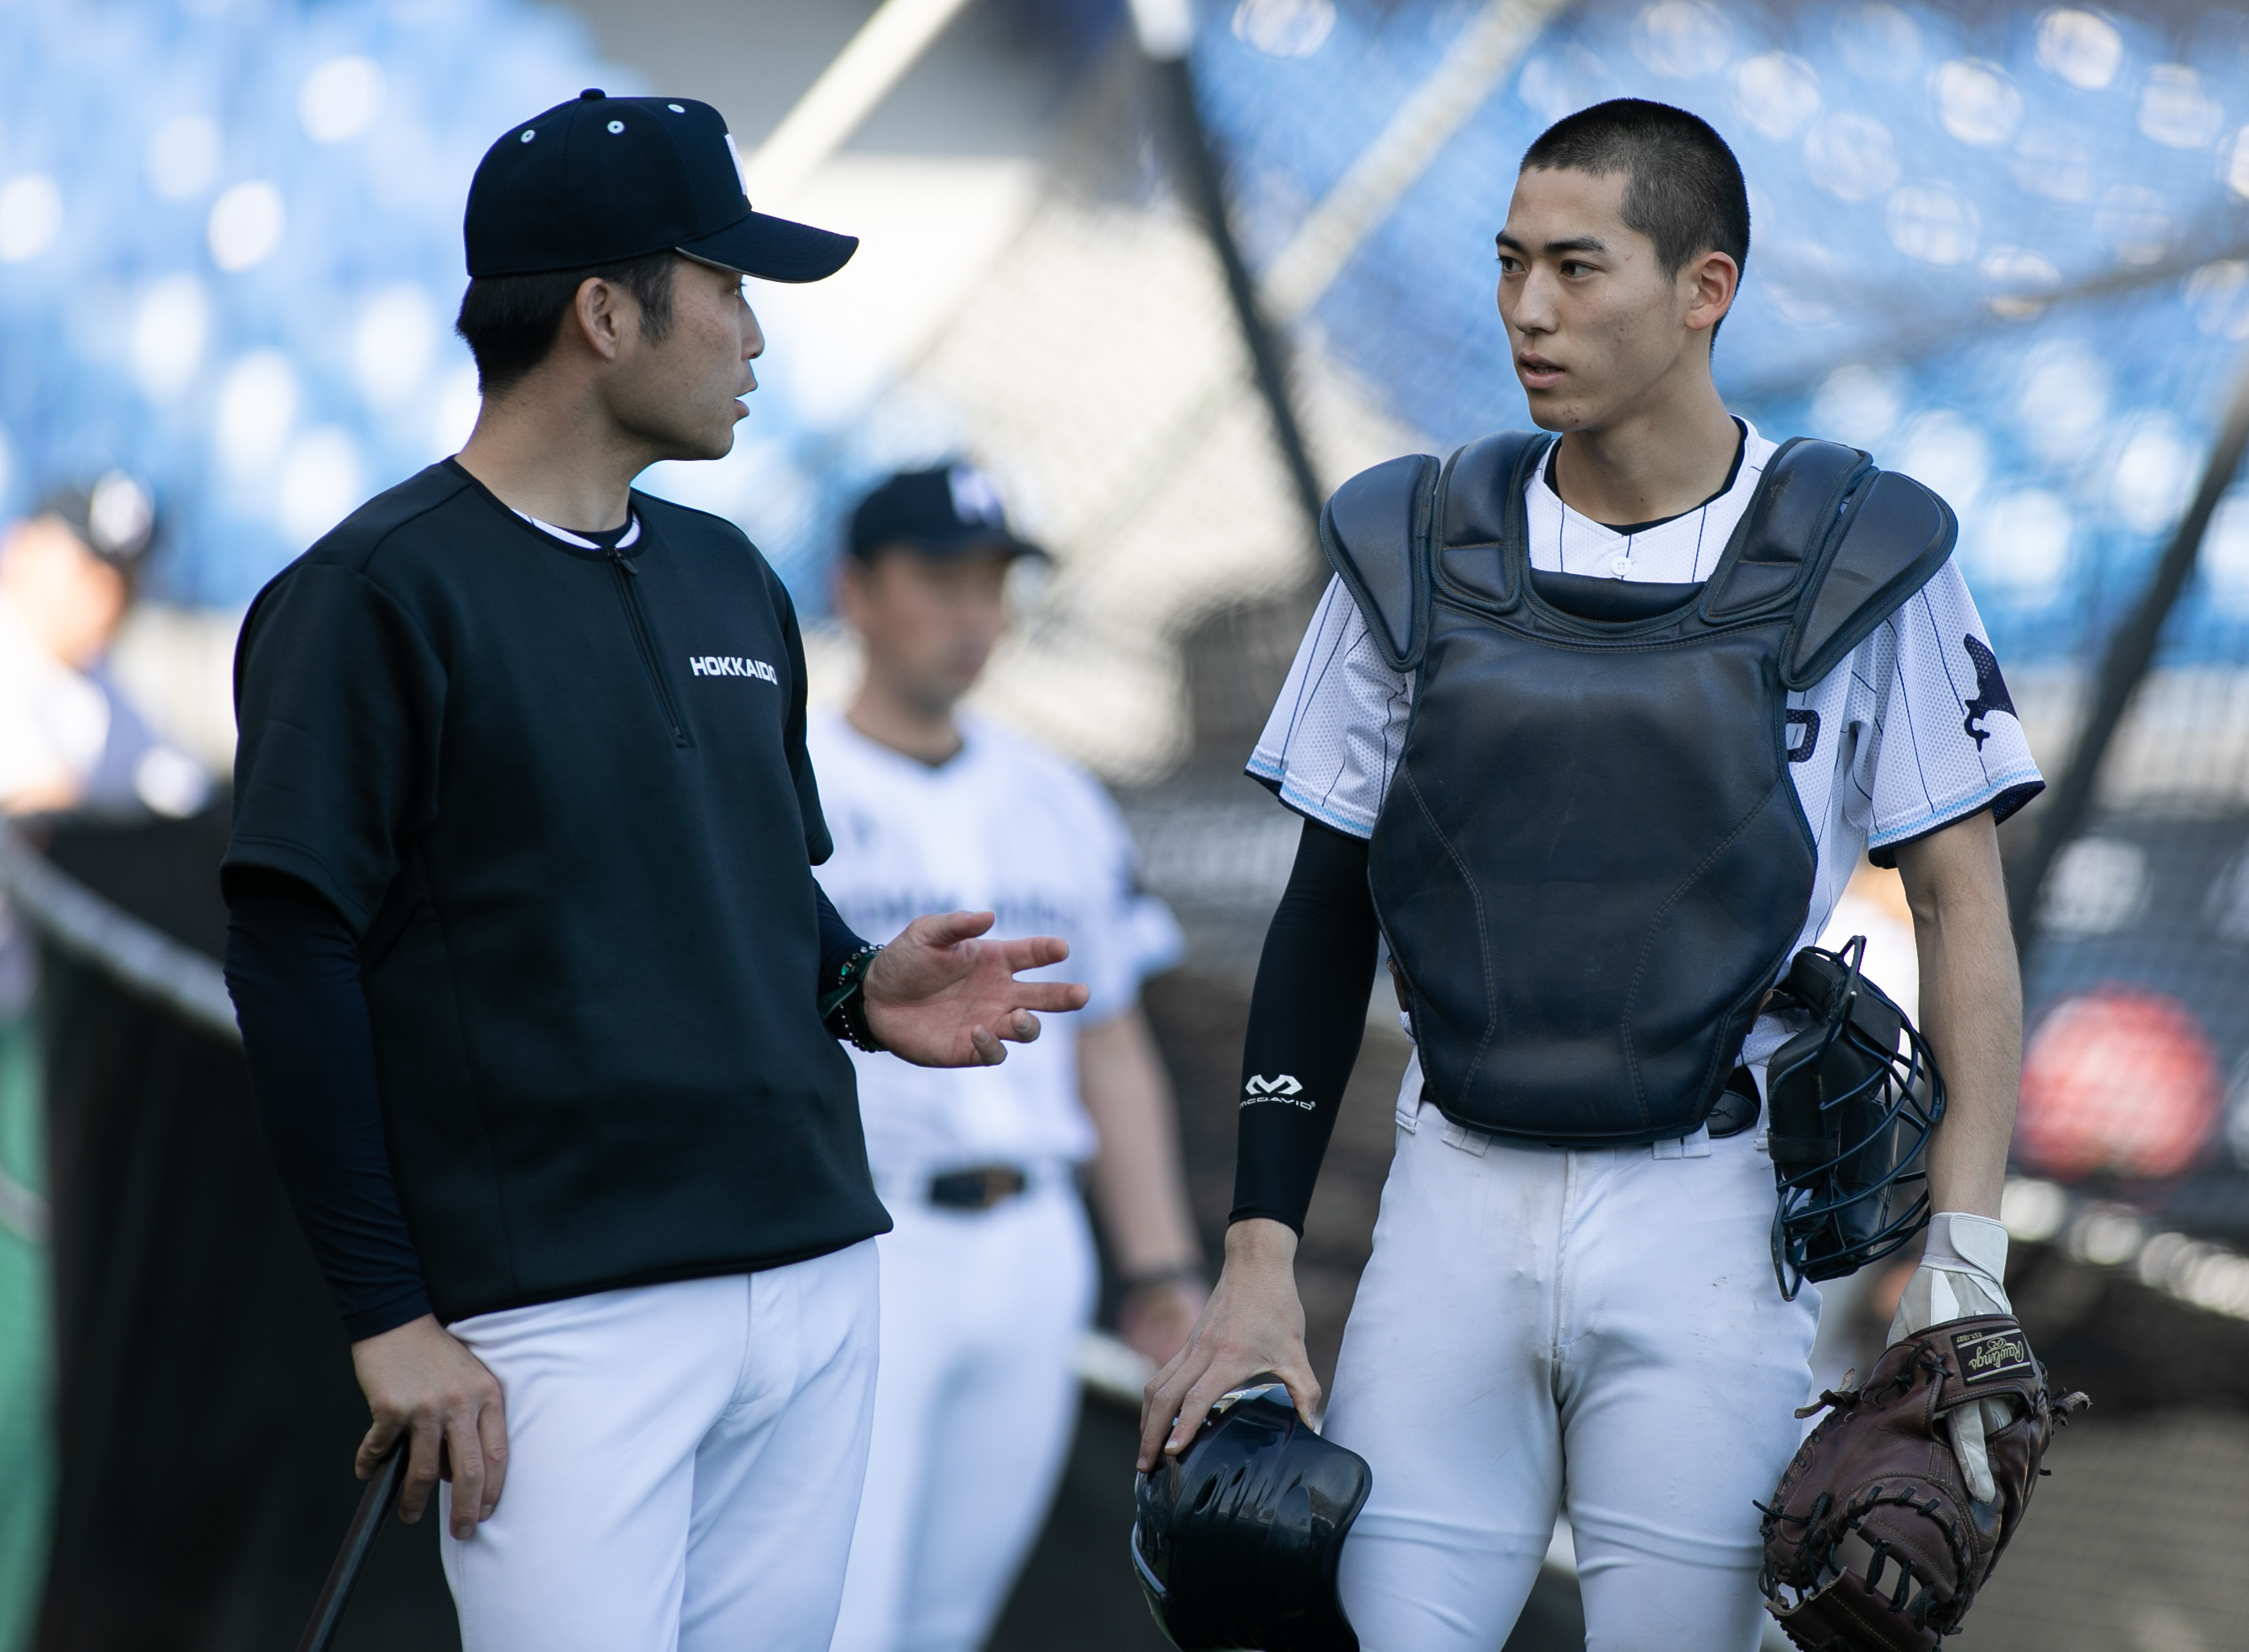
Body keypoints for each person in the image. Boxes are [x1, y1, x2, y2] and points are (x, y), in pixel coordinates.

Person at [1138, 99, 2042, 1650]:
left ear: (1704, 288)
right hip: (1450, 1197)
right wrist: (1256, 1256)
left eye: (1575, 266)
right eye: (1508, 264)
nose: (1528, 310)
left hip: (1711, 1211)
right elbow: (1323, 910)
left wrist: (1966, 1254)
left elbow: (1961, 906)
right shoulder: (1414, 537)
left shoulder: (1866, 547)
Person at [220, 92, 1085, 1652]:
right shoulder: (371, 593)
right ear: (605, 314)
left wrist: (855, 984)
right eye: (728, 285)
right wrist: (387, 1314)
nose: (755, 334)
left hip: (818, 1265)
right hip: (566, 1313)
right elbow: (292, 960)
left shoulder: (729, 571)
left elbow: (746, 883)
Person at [811, 463, 1205, 1652]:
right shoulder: (787, 784)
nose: (974, 613)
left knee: (946, 1622)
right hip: (860, 1236)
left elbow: (1110, 1042)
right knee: (835, 1615)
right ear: (855, 590)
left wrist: (1159, 1269)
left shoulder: (1057, 796)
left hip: (1035, 1242)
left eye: (992, 584)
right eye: (940, 579)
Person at [0, 473, 209, 821]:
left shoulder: (95, 680)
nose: (103, 605)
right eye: (85, 571)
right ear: (21, 547)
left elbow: (179, 784)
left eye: (121, 584)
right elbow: (41, 800)